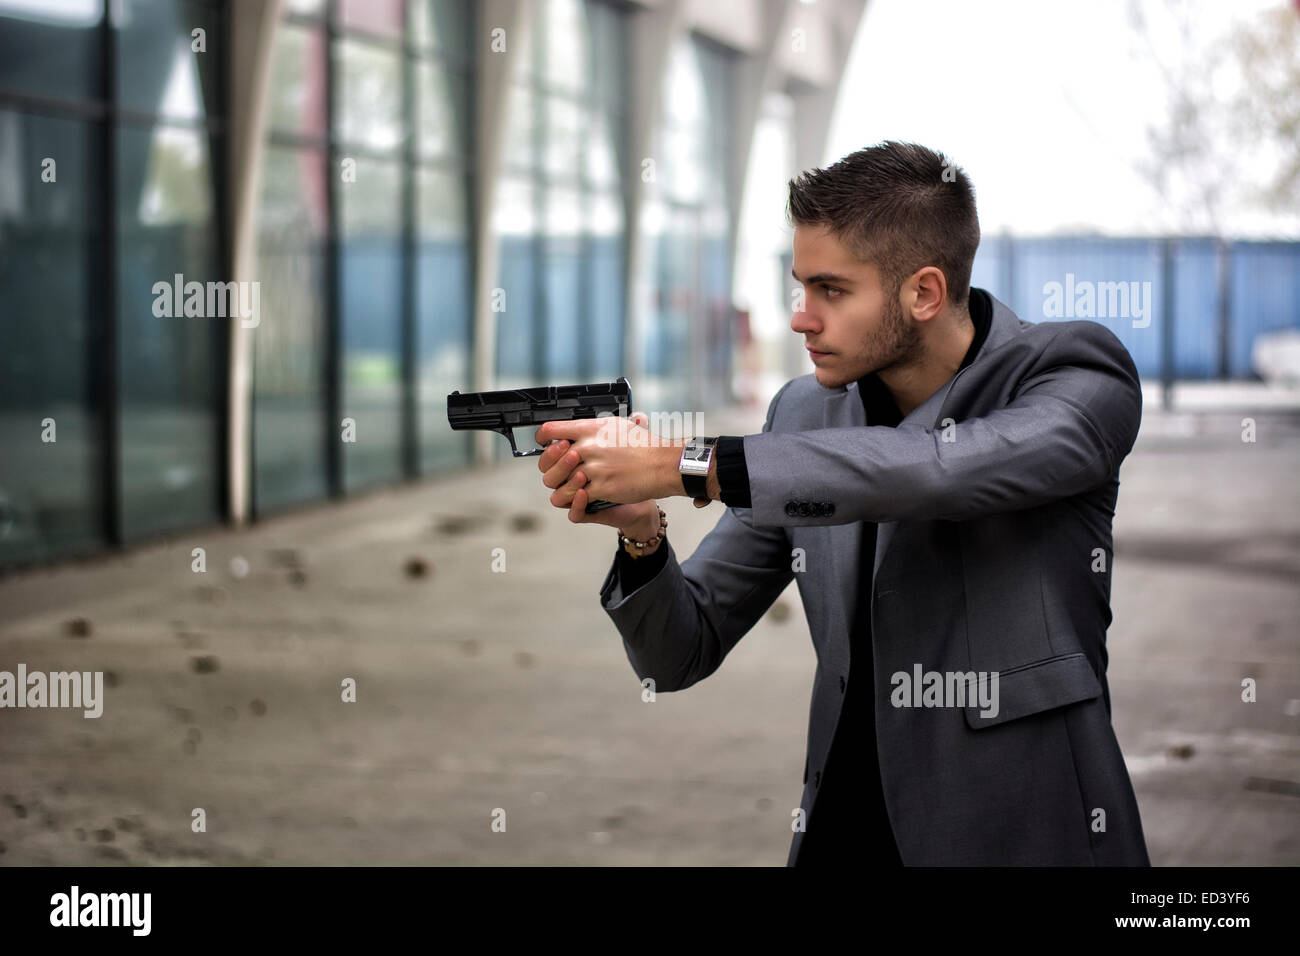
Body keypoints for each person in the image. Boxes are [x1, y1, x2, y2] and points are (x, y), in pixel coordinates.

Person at [533, 141, 1150, 866]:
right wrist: (642, 534)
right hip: (843, 838)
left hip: (1024, 837)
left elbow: (940, 470)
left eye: (832, 291)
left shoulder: (1074, 376)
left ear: (923, 292)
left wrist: (684, 462)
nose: (802, 319)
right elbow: (679, 651)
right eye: (801, 288)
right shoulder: (802, 414)